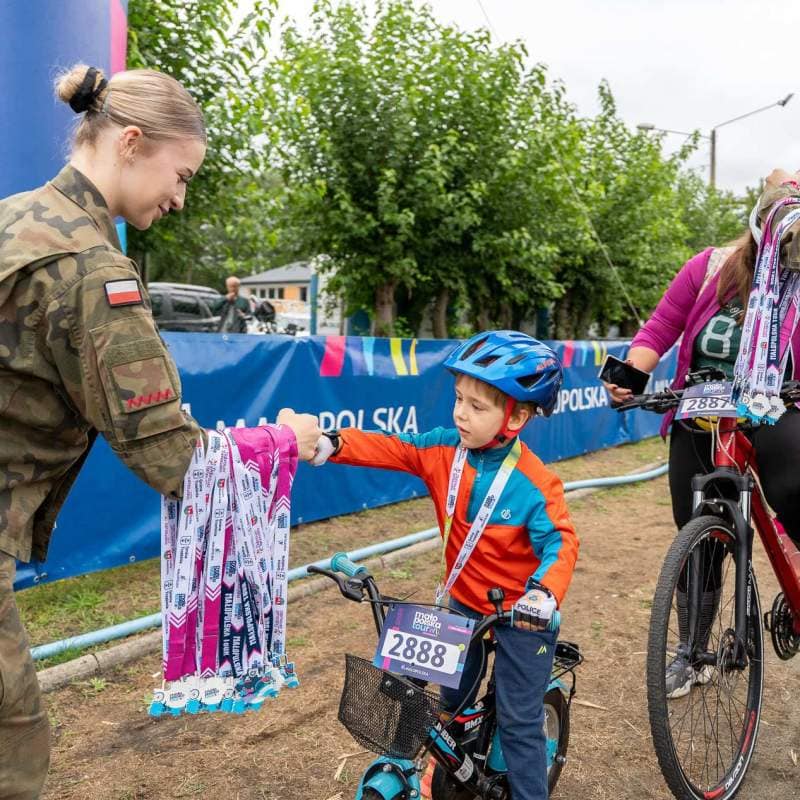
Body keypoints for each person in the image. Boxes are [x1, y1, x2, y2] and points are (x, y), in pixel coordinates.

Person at [0, 64, 320, 800]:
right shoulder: (91, 269)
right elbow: (172, 456)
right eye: (181, 175)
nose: (180, 198)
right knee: (13, 746)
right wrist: (283, 444)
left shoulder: (14, 217)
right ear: (134, 142)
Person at [316, 331, 579, 800]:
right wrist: (334, 443)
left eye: (477, 407)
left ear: (516, 416)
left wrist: (544, 592)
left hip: (522, 614)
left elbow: (561, 541)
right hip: (463, 603)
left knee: (520, 726)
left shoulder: (535, 483)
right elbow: (393, 447)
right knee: (445, 706)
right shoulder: (443, 452)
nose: (460, 413)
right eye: (459, 399)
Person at [605, 168, 800, 699]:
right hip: (702, 410)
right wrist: (630, 375)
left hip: (778, 408)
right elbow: (660, 328)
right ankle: (693, 653)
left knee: (792, 481)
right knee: (696, 533)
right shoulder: (711, 266)